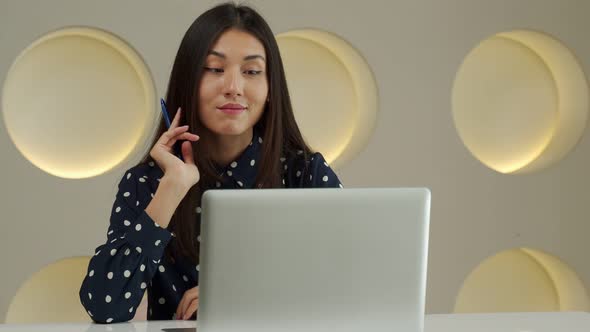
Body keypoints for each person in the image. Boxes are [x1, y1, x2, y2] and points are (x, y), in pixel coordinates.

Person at [79, 2, 342, 324]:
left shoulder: (305, 174)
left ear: (271, 87)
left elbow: (351, 283)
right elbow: (105, 306)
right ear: (188, 82)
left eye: (252, 72)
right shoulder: (147, 182)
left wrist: (239, 296)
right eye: (215, 69)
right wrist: (171, 188)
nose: (233, 87)